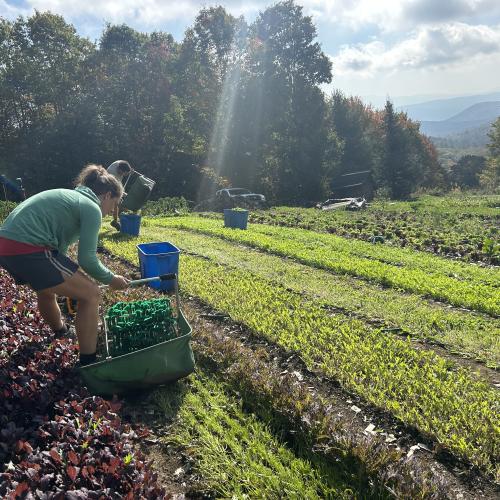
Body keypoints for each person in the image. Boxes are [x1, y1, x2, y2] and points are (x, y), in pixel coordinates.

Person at [0, 165, 129, 366]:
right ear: (106, 195)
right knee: (92, 293)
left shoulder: (68, 197)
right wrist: (112, 279)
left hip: (6, 245)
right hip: (28, 247)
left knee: (47, 290)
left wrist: (73, 279)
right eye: (114, 203)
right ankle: (89, 363)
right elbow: (87, 259)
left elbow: (59, 253)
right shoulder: (91, 207)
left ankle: (60, 331)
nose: (112, 210)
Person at [106, 160, 133, 231]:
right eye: (123, 173)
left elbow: (125, 166)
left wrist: (130, 172)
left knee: (120, 203)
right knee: (117, 203)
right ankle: (115, 221)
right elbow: (117, 188)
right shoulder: (112, 173)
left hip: (117, 183)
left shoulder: (121, 164)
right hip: (108, 185)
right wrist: (124, 194)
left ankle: (117, 220)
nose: (124, 175)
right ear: (119, 169)